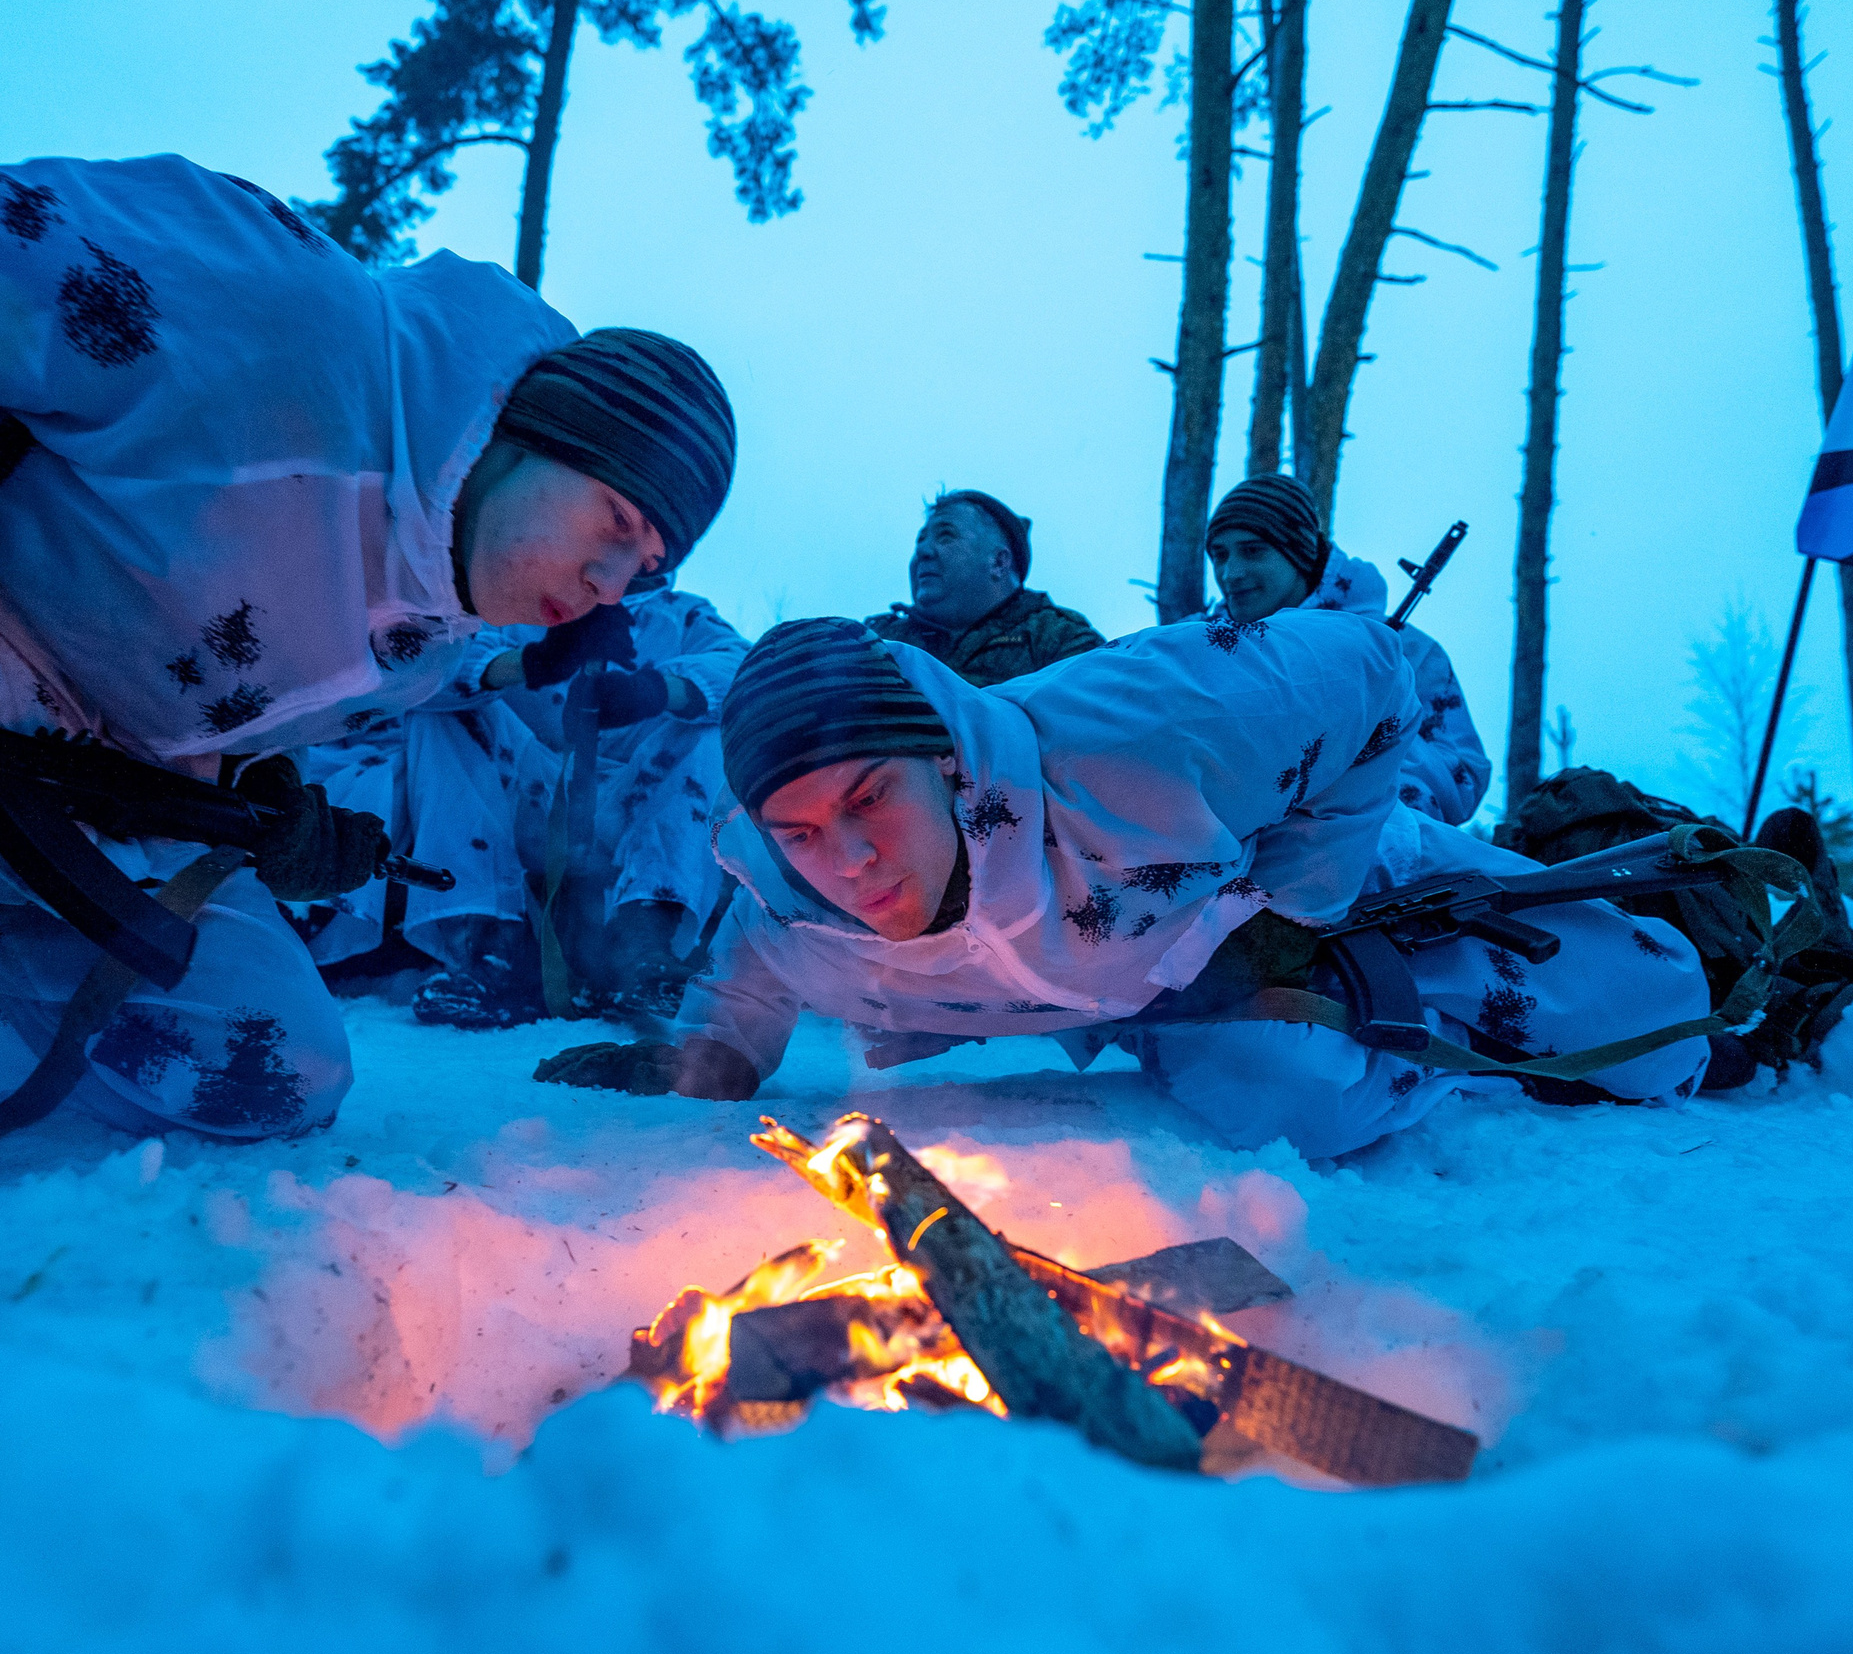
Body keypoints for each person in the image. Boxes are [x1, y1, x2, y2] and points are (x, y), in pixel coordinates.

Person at [0, 0, 736, 1173]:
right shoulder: (276, 320)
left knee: (270, 1068)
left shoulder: (440, 629)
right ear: (534, 427)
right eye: (615, 518)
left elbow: (187, 676)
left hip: (26, 797)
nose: (611, 581)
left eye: (645, 567)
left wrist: (263, 803)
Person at [538, 615, 1714, 1158]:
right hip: (1153, 989)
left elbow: (1371, 664)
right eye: (797, 829)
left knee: (1661, 1023)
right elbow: (754, 962)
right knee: (1287, 1098)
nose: (844, 862)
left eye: (866, 803)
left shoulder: (1150, 730)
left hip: (1306, 881)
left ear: (947, 763)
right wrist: (716, 1065)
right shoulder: (796, 908)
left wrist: (1305, 897)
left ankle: (1721, 938)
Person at [302, 571, 749, 1023]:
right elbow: (427, 665)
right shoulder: (516, 601)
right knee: (442, 711)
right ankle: (490, 944)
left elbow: (741, 667)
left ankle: (645, 937)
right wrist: (528, 663)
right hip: (524, 795)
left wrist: (660, 691)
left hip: (634, 803)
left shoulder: (682, 614)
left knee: (711, 733)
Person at [1205, 475, 1490, 825]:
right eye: (1219, 555)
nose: (1231, 572)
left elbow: (1463, 778)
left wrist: (1364, 743)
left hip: (1373, 860)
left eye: (1253, 551)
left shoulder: (1406, 653)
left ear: (1300, 553)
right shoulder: (1201, 650)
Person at [864, 489, 1103, 686]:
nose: (922, 551)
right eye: (920, 539)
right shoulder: (875, 641)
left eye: (946, 536)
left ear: (998, 562)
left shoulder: (1058, 638)